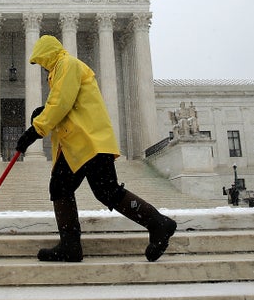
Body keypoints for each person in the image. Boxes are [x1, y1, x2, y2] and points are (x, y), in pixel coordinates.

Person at [16, 35, 177, 263]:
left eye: (42, 62)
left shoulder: (66, 64)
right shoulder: (65, 69)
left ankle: (72, 245)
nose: (43, 69)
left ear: (48, 55)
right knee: (93, 190)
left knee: (73, 188)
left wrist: (34, 131)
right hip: (83, 143)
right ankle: (156, 223)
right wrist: (43, 113)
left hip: (86, 141)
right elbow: (69, 103)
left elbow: (61, 102)